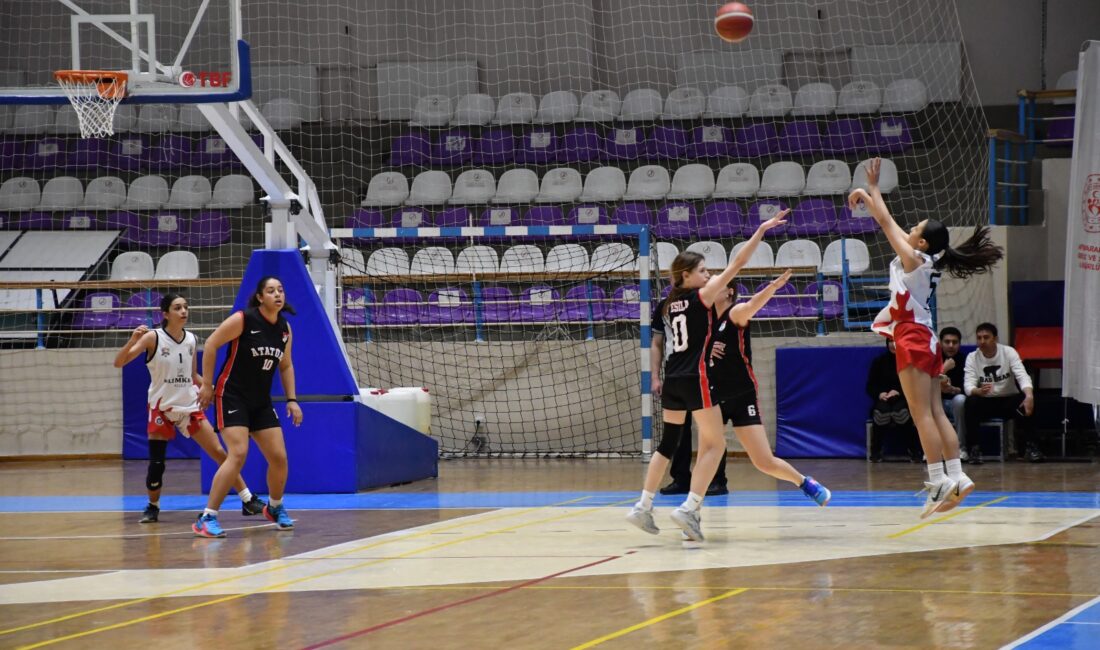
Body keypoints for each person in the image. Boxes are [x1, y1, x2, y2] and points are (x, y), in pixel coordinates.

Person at [850, 157, 1003, 518]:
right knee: (936, 412)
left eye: (914, 227)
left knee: (921, 415)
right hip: (927, 335)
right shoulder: (923, 257)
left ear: (920, 239)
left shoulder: (913, 259)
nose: (910, 229)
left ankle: (938, 483)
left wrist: (872, 186)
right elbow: (886, 221)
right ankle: (958, 476)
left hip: (912, 336)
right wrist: (865, 194)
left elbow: (886, 223)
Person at [627, 211, 787, 542]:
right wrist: (761, 229)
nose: (708, 275)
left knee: (667, 444)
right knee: (713, 445)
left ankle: (643, 505)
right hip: (696, 377)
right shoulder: (701, 297)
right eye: (702, 271)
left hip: (672, 377)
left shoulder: (666, 305)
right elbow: (739, 262)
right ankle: (690, 508)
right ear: (686, 275)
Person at [112, 293, 266, 524]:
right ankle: (153, 506)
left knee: (222, 454)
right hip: (162, 407)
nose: (183, 311)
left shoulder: (192, 339)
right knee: (156, 466)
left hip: (189, 406)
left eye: (185, 307)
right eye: (177, 308)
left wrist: (209, 387)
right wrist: (132, 341)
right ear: (165, 314)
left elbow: (193, 375)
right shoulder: (153, 338)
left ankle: (247, 500)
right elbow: (119, 362)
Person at [708, 271, 831, 505]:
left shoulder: (735, 312)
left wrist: (774, 286)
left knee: (763, 461)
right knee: (709, 454)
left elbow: (754, 304)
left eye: (720, 282)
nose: (713, 285)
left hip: (742, 396)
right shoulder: (706, 323)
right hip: (714, 396)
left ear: (730, 290)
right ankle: (692, 510)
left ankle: (805, 483)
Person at [195, 277, 303, 538]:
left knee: (279, 457)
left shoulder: (285, 329)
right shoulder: (244, 319)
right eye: (270, 291)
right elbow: (210, 344)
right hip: (231, 396)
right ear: (259, 297)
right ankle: (207, 517)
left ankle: (275, 507)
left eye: (280, 289)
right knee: (238, 453)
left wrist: (292, 399)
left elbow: (286, 365)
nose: (277, 294)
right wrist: (207, 384)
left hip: (260, 400)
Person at [651, 298, 727, 497]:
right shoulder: (665, 305)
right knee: (676, 433)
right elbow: (657, 343)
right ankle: (680, 478)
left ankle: (716, 480)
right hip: (676, 370)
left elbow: (723, 324)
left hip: (701, 370)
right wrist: (655, 376)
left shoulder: (703, 299)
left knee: (711, 431)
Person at [963, 322, 1041, 462]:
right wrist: (978, 390)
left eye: (986, 337)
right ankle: (974, 449)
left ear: (995, 339)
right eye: (979, 338)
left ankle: (1032, 447)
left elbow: (1022, 375)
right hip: (986, 401)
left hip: (1008, 401)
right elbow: (968, 385)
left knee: (1026, 399)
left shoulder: (1008, 352)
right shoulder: (972, 357)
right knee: (970, 402)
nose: (982, 341)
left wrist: (1029, 395)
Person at [865, 339, 921, 462]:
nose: (893, 345)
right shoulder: (879, 361)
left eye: (896, 341)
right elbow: (870, 386)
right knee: (880, 414)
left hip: (903, 398)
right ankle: (876, 450)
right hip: (883, 399)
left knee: (901, 413)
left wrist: (899, 392)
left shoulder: (909, 362)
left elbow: (914, 384)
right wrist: (880, 394)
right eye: (890, 341)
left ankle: (913, 449)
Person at [938, 326, 969, 462]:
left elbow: (968, 386)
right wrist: (944, 369)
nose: (951, 345)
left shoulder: (966, 360)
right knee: (926, 402)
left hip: (955, 404)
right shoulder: (932, 360)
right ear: (940, 343)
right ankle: (932, 450)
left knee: (961, 400)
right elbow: (925, 386)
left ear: (959, 344)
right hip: (937, 403)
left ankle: (961, 448)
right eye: (947, 342)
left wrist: (953, 389)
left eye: (955, 342)